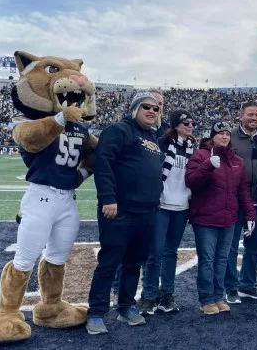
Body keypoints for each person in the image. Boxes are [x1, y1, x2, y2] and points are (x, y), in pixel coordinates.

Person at [86, 92, 165, 334]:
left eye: (155, 108)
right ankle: (96, 313)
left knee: (134, 263)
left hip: (147, 210)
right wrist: (108, 198)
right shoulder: (118, 130)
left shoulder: (152, 137)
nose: (152, 111)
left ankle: (126, 306)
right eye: (146, 107)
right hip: (119, 209)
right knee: (109, 261)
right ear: (134, 109)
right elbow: (104, 163)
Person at [186, 121, 256, 314]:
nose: (224, 136)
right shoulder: (200, 156)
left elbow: (243, 191)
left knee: (222, 259)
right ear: (212, 136)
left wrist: (250, 214)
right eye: (220, 133)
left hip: (228, 217)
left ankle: (218, 296)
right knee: (207, 259)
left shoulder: (236, 161)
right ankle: (206, 299)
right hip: (205, 218)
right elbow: (191, 182)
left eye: (227, 133)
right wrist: (207, 165)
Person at [139, 109, 196, 315]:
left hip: (182, 207)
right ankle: (149, 296)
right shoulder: (162, 144)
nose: (190, 126)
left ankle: (167, 295)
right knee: (155, 252)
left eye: (192, 123)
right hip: (161, 205)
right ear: (175, 125)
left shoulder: (193, 148)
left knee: (171, 252)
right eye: (186, 122)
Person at [225, 101, 257, 302]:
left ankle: (247, 284)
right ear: (241, 116)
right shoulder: (230, 137)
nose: (254, 118)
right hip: (233, 200)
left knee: (254, 245)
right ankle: (231, 287)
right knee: (231, 245)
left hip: (256, 199)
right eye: (250, 115)